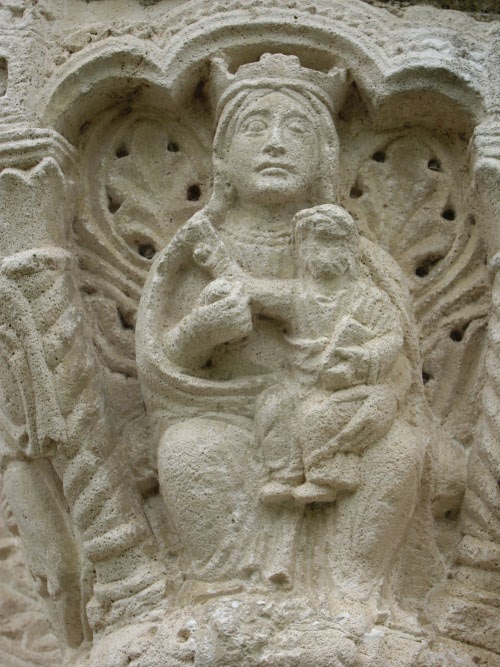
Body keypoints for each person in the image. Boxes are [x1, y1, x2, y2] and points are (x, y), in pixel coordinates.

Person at [136, 53, 427, 610]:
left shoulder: (358, 257)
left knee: (398, 451)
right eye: (254, 127)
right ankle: (220, 592)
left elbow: (399, 358)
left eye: (297, 129)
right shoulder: (193, 249)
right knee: (188, 450)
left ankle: (353, 595)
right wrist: (201, 330)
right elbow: (160, 364)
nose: (275, 143)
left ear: (325, 155)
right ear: (221, 155)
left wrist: (360, 370)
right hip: (229, 416)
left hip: (334, 406)